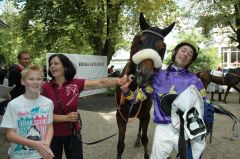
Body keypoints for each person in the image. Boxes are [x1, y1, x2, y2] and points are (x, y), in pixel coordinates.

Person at [120, 40, 214, 159]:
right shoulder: (157, 76)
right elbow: (138, 98)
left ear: (191, 60)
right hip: (163, 128)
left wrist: (205, 124)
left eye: (190, 54)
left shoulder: (195, 81)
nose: (185, 54)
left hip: (187, 128)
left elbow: (205, 104)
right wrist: (126, 91)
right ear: (175, 52)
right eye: (183, 50)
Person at [41, 54, 128, 159]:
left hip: (73, 133)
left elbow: (100, 82)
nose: (52, 66)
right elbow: (42, 115)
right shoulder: (45, 88)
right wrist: (65, 118)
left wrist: (119, 80)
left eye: (56, 63)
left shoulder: (76, 84)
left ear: (65, 67)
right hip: (52, 135)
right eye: (50, 64)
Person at [0, 65, 54, 159]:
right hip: (19, 156)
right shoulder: (13, 104)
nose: (35, 82)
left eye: (39, 79)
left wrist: (46, 145)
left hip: (41, 154)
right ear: (23, 81)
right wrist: (35, 144)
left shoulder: (48, 103)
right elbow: (9, 134)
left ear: (43, 81)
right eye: (31, 79)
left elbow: (49, 127)